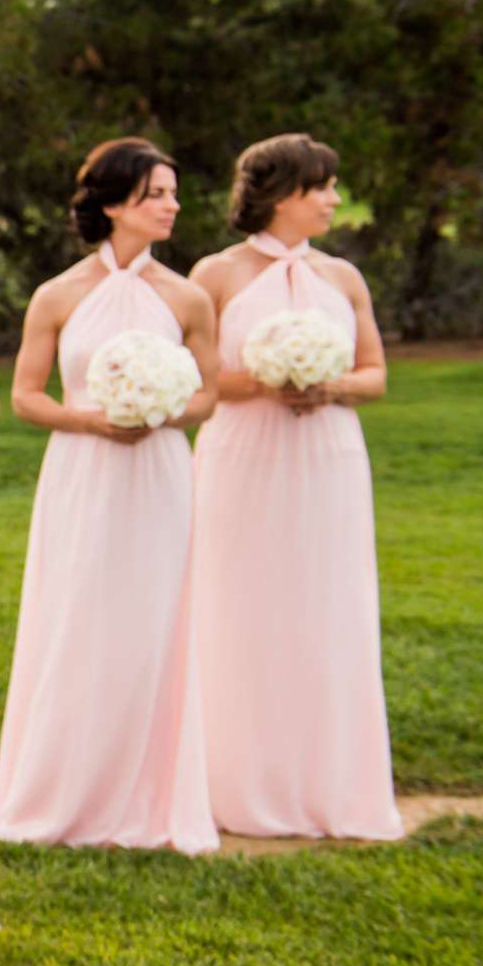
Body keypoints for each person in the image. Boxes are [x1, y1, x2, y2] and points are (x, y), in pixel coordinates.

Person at [0, 139, 219, 852]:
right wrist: (92, 418)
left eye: (173, 193)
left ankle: (149, 795)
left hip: (158, 471)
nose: (172, 205)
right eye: (157, 192)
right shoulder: (58, 294)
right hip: (82, 471)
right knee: (76, 616)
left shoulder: (187, 296)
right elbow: (27, 396)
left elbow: (209, 394)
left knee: (154, 619)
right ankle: (61, 788)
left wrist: (161, 409)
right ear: (116, 202)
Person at [185, 135, 399, 840]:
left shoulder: (344, 278)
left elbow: (375, 373)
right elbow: (195, 377)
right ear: (282, 195)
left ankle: (330, 784)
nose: (336, 198)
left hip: (328, 457)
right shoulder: (214, 274)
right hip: (245, 455)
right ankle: (236, 782)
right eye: (324, 187)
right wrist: (272, 379)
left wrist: (328, 383)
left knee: (327, 607)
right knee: (239, 605)